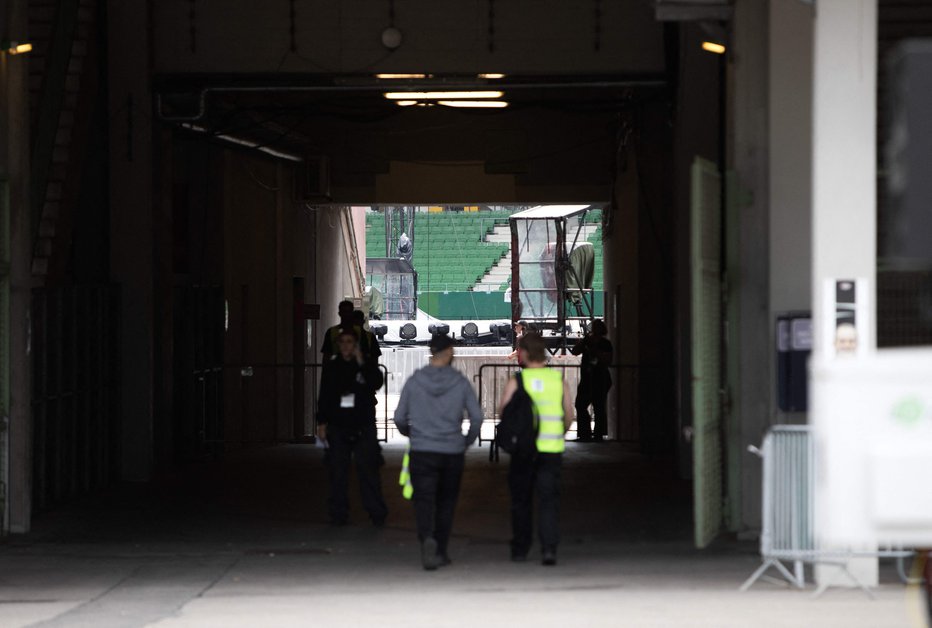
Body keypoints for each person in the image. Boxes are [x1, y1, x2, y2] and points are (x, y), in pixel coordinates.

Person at [394, 334, 483, 570]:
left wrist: (412, 434)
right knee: (446, 501)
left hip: (422, 450)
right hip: (451, 451)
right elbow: (477, 417)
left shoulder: (415, 381)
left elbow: (399, 417)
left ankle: (427, 539)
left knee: (423, 500)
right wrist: (465, 442)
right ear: (450, 352)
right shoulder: (460, 382)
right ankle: (441, 550)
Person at [498, 333, 574, 566]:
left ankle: (521, 547)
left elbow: (504, 413)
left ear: (524, 353)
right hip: (551, 450)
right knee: (548, 500)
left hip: (523, 451)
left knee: (521, 500)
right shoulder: (557, 380)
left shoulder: (517, 381)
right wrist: (559, 433)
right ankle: (549, 548)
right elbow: (569, 416)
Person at [316, 328, 388, 527]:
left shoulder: (365, 365)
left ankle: (377, 513)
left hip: (362, 424)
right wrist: (322, 422)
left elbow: (376, 382)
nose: (346, 346)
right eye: (343, 342)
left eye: (350, 342)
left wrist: (361, 361)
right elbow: (325, 395)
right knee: (338, 472)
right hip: (339, 425)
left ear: (356, 345)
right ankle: (338, 513)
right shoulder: (332, 366)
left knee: (369, 471)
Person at [570, 319, 613, 442]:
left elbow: (608, 360)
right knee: (582, 405)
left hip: (599, 378)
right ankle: (586, 434)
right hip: (589, 379)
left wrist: (595, 351)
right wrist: (583, 342)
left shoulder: (605, 344)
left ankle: (595, 434)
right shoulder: (587, 341)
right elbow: (574, 351)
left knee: (598, 407)